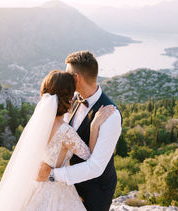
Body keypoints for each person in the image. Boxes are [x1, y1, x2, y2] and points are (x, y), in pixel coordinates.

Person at [0, 70, 115, 211]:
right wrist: (94, 128)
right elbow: (89, 158)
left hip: (34, 186)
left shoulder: (40, 125)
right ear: (68, 97)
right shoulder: (65, 131)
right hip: (56, 190)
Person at [37, 51, 123, 211]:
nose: (64, 77)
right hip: (66, 187)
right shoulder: (71, 100)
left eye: (67, 74)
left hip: (95, 191)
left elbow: (96, 166)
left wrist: (51, 174)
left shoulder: (110, 116)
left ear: (77, 78)